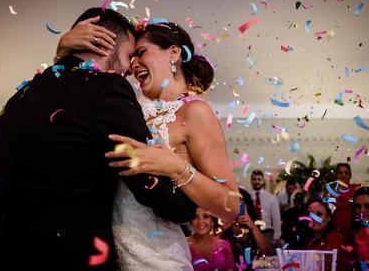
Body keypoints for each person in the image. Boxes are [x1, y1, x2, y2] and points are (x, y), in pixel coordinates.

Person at [0, 8, 197, 271]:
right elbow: (146, 179)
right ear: (102, 42)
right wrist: (185, 205)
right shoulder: (106, 89)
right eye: (129, 55)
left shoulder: (18, 98)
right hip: (67, 258)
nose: (130, 67)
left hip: (1, 256)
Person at [58, 17, 240, 269]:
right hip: (106, 256)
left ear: (174, 53)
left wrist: (176, 167)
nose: (133, 65)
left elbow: (230, 206)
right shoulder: (125, 105)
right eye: (131, 57)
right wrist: (63, 51)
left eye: (141, 53)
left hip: (157, 260)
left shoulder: (195, 112)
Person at [306, 198, 352, 271]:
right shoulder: (311, 239)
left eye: (319, 214)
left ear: (328, 218)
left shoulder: (334, 238)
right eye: (310, 214)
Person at [331, 162, 361, 245]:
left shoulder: (357, 190)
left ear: (350, 175)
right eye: (340, 172)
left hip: (355, 233)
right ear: (336, 175)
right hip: (336, 234)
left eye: (346, 172)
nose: (343, 175)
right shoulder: (330, 192)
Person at [250, 170, 281, 247]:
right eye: (254, 179)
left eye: (259, 179)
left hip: (267, 232)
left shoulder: (271, 198)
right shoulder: (248, 197)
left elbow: (276, 218)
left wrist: (277, 236)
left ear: (263, 181)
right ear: (251, 181)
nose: (256, 182)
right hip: (252, 232)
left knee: (268, 256)